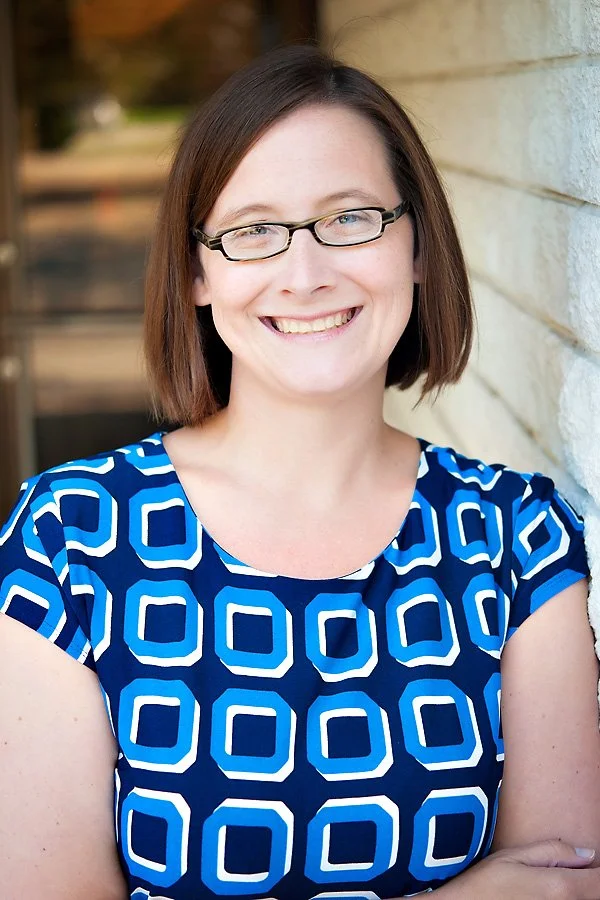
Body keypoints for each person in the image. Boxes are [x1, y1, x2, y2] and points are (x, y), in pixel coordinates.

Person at [1, 43, 600, 900]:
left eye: (351, 218)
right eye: (253, 232)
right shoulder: (70, 542)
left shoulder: (519, 542)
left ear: (419, 247)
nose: (307, 273)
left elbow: (564, 887)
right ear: (199, 271)